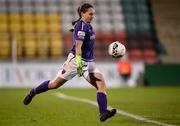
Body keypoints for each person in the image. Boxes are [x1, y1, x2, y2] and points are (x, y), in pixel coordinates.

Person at [23, 3, 116, 122]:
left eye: (93, 14)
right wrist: (79, 65)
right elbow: (78, 49)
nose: (93, 16)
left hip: (89, 62)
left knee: (101, 84)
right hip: (76, 61)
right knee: (54, 84)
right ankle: (33, 92)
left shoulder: (88, 26)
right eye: (90, 14)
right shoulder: (81, 27)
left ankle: (103, 112)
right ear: (83, 14)